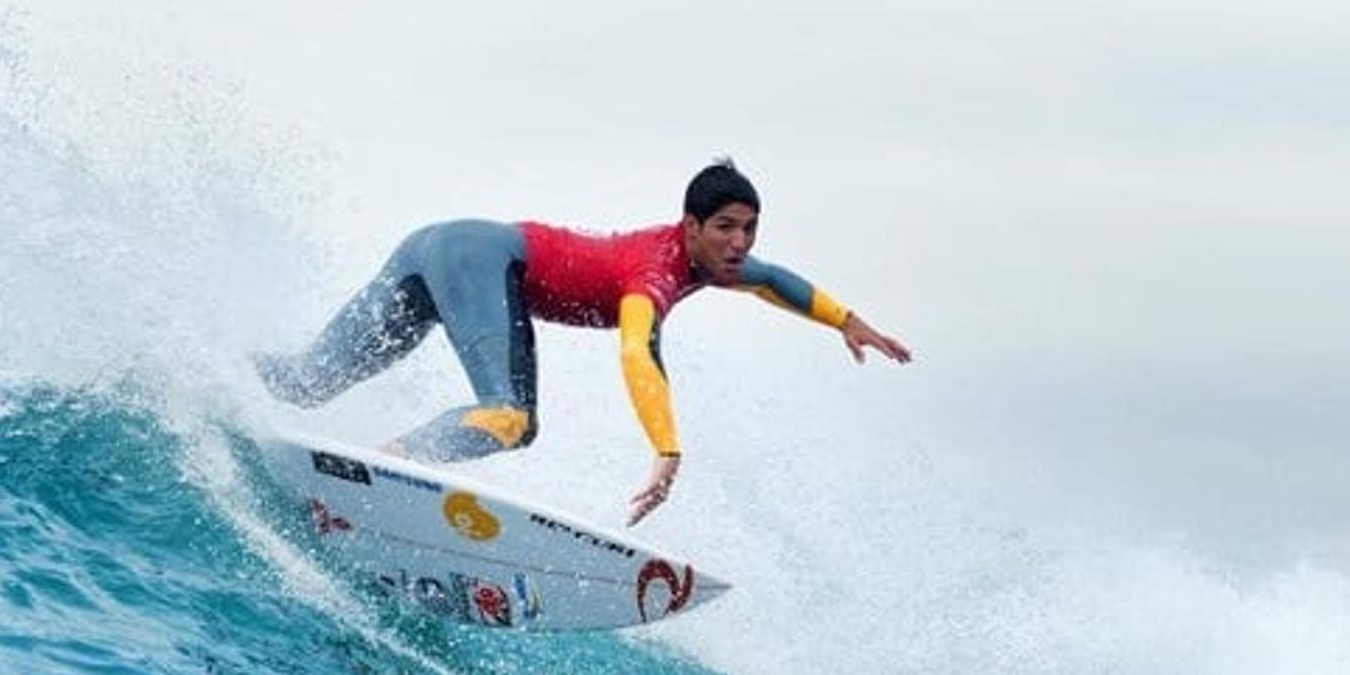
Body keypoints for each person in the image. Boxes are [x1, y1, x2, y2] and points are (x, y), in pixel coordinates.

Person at [257, 159, 912, 525]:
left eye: (749, 229)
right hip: (482, 261)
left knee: (303, 384)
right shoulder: (652, 273)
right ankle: (382, 471)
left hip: (444, 248)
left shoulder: (717, 264)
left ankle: (190, 361)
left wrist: (845, 321)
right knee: (510, 419)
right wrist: (666, 449)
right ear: (690, 226)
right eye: (726, 228)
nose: (740, 244)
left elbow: (776, 283)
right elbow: (636, 351)